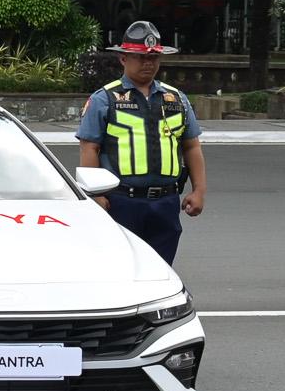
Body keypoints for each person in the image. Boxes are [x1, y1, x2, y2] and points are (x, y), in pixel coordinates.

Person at [77, 20, 206, 265]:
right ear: (123, 58)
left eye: (153, 58)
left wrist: (199, 191)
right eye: (140, 58)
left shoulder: (176, 99)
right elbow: (89, 147)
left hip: (166, 202)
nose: (148, 63)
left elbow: (192, 146)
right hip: (121, 201)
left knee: (162, 271)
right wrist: (95, 195)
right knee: (122, 269)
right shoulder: (105, 99)